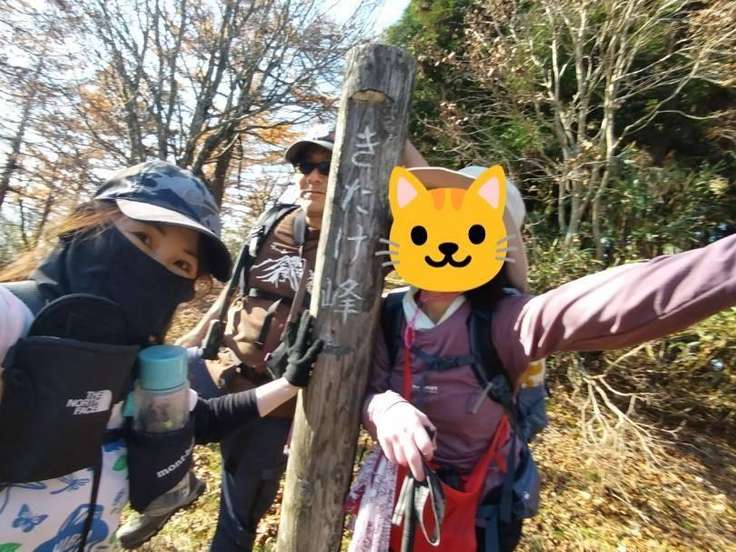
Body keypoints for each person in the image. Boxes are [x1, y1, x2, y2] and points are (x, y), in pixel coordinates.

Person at [350, 164, 736, 552]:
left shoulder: (507, 318)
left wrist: (724, 265)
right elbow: (367, 391)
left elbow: (598, 304)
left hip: (480, 508)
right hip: (396, 501)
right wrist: (386, 410)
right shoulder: (390, 312)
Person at [0, 160, 322, 550]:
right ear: (88, 224)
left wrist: (289, 383)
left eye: (181, 264)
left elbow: (203, 420)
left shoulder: (137, 365)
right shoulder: (12, 319)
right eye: (143, 238)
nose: (154, 266)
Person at [140, 128, 428, 552]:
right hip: (219, 367)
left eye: (326, 167)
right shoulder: (273, 220)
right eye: (304, 166)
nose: (312, 176)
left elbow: (430, 204)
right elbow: (238, 286)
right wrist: (199, 332)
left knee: (238, 517)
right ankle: (170, 487)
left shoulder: (367, 237)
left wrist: (397, 132)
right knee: (145, 407)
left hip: (276, 401)